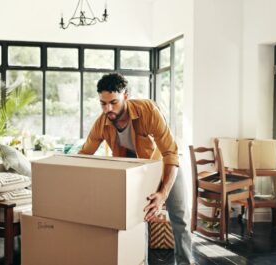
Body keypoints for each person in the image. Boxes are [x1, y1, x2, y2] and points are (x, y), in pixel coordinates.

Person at [79, 73, 193, 265]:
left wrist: (163, 194)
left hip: (166, 165)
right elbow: (84, 155)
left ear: (126, 95)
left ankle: (186, 262)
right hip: (136, 174)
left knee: (180, 217)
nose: (108, 109)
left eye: (113, 102)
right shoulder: (102, 123)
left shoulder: (147, 110)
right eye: (103, 103)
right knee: (138, 222)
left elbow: (170, 153)